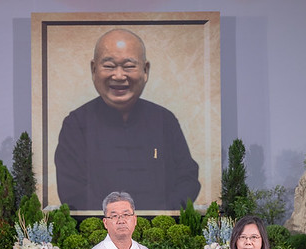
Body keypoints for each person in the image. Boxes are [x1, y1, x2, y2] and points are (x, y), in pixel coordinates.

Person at [54, 28, 201, 212]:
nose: (118, 75)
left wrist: (159, 218)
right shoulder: (76, 124)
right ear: (93, 69)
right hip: (97, 233)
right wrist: (115, 223)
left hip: (158, 230)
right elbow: (72, 191)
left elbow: (187, 179)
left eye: (129, 66)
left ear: (145, 70)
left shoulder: (164, 121)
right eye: (108, 66)